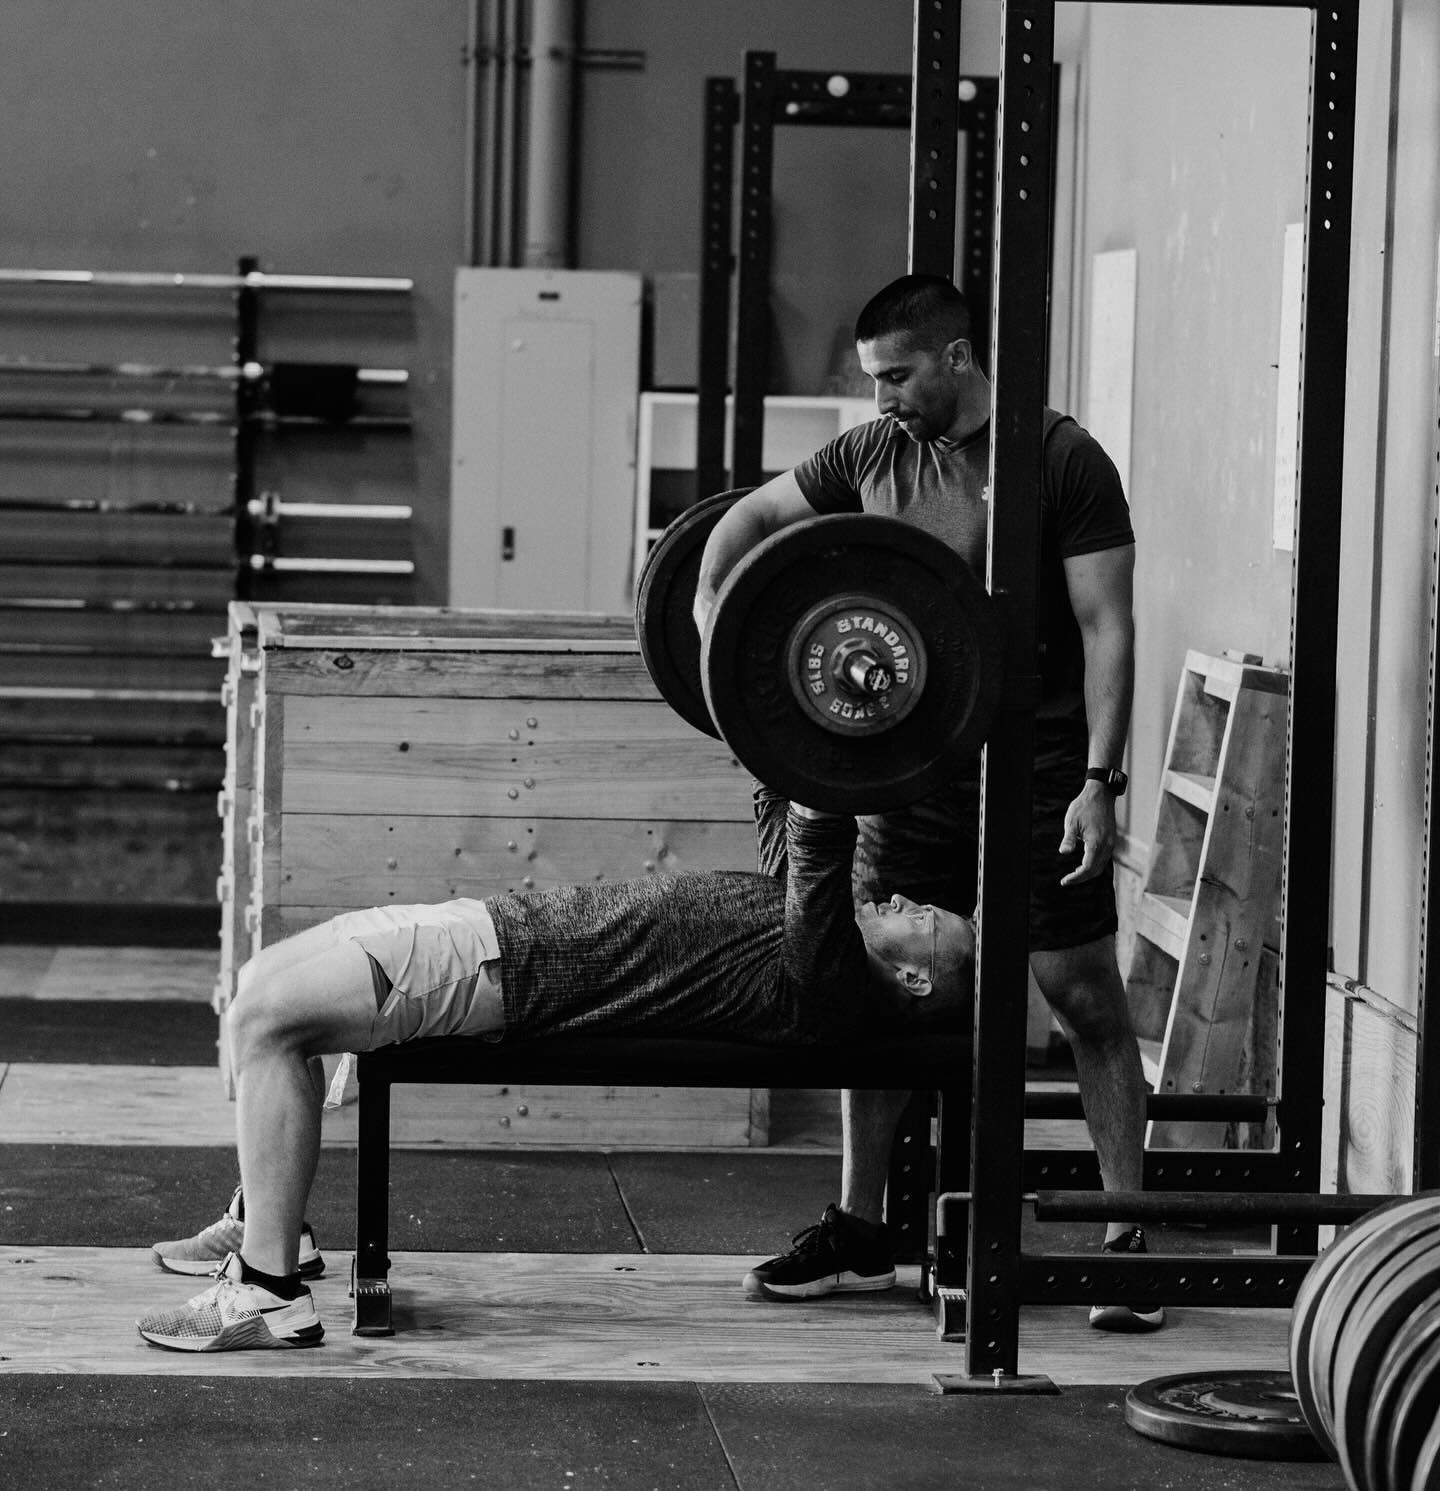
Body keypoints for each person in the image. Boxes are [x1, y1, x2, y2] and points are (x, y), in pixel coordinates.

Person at [695, 273, 1160, 1333]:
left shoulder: (1059, 457)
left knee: (1080, 995)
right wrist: (711, 618)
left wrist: (1100, 779)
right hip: (906, 771)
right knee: (880, 991)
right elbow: (751, 518)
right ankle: (865, 1226)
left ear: (957, 358)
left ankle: (1129, 1231)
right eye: (872, 381)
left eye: (897, 376)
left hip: (1038, 769)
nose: (883, 398)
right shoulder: (871, 455)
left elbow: (1108, 628)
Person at [135, 789, 975, 1352]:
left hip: (508, 967)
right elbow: (786, 798)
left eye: (926, 918)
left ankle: (269, 1284)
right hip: (498, 927)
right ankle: (271, 1218)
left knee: (267, 1020)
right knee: (256, 985)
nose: (906, 899)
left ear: (914, 977)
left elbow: (821, 822)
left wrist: (824, 728)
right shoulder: (814, 940)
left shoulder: (828, 979)